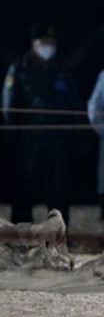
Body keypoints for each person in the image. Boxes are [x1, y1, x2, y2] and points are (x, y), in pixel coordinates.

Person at [2, 23, 83, 226]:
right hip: (28, 139)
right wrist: (13, 135)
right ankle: (19, 237)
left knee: (58, 190)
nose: (48, 46)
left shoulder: (60, 70)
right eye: (44, 42)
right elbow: (8, 105)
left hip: (57, 138)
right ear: (33, 43)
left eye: (52, 43)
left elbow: (74, 102)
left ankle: (58, 237)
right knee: (24, 187)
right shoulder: (19, 69)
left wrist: (77, 132)